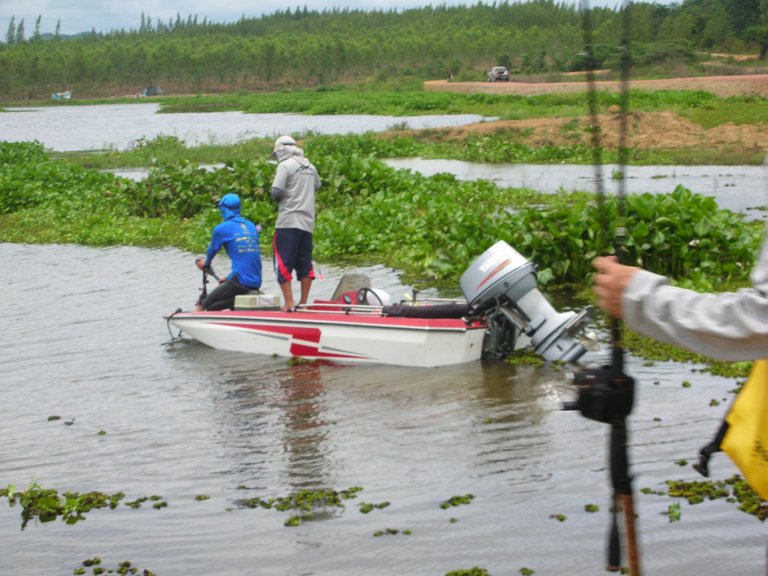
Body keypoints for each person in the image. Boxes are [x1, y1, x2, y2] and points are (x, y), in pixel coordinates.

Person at [270, 135, 322, 311]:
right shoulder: (310, 166)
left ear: (280, 150)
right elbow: (317, 185)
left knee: (283, 263)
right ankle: (304, 302)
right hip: (307, 223)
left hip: (288, 221)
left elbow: (275, 193)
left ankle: (289, 303)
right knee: (305, 264)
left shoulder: (285, 166)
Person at [195, 193, 262, 311]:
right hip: (256, 281)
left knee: (206, 305)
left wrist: (206, 263)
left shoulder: (221, 229)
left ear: (223, 209)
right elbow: (245, 258)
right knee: (226, 289)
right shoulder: (250, 225)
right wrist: (228, 278)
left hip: (240, 282)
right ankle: (237, 303)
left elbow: (212, 250)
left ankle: (234, 304)